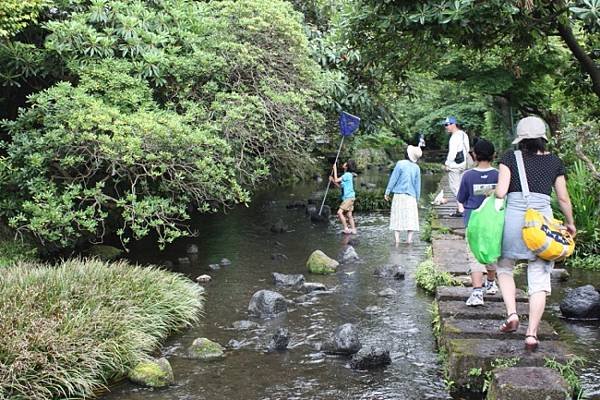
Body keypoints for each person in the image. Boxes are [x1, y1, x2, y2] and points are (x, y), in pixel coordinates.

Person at [494, 116, 576, 351]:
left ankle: (512, 314)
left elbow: (501, 193)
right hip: (542, 224)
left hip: (513, 221)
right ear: (543, 138)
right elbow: (562, 198)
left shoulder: (510, 158)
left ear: (521, 139)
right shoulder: (554, 162)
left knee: (504, 267)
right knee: (539, 277)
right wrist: (570, 223)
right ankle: (531, 334)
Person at [457, 139, 499, 306]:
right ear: (493, 155)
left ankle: (476, 293)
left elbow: (461, 198)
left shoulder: (468, 175)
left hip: (473, 221)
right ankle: (491, 283)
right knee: (491, 252)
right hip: (494, 221)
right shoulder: (499, 174)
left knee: (474, 255)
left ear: (474, 155)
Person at [384, 145, 422, 244]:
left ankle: (397, 241)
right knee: (411, 218)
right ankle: (409, 240)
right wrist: (417, 198)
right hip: (411, 196)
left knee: (397, 217)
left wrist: (387, 191)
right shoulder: (417, 168)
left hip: (399, 195)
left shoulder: (400, 164)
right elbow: (417, 185)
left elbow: (394, 178)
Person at [443, 116, 470, 217]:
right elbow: (467, 149)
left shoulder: (454, 137)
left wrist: (447, 164)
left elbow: (452, 153)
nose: (446, 127)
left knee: (454, 187)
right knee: (462, 186)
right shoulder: (463, 134)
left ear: (453, 124)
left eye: (447, 124)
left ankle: (461, 209)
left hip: (454, 165)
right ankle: (463, 207)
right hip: (463, 164)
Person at [330, 159, 357, 234]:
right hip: (351, 197)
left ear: (347, 166)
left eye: (345, 163)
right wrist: (332, 180)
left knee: (339, 212)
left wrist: (334, 169)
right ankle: (354, 230)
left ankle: (346, 228)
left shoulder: (347, 175)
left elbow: (336, 179)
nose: (344, 163)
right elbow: (340, 186)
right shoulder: (348, 175)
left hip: (348, 198)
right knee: (349, 214)